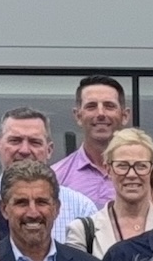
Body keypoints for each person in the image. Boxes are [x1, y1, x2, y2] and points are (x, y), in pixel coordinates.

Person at [0, 108, 101, 221]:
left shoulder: (81, 209)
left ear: (49, 150)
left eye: (35, 142)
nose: (25, 150)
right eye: (15, 141)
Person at [61, 128, 153, 257]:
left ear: (152, 170)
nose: (131, 174)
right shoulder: (83, 231)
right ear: (108, 170)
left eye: (141, 166)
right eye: (122, 166)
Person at [55, 75, 130, 207]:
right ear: (78, 116)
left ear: (125, 116)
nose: (100, 113)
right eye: (91, 106)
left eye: (109, 106)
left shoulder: (151, 174)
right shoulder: (57, 177)